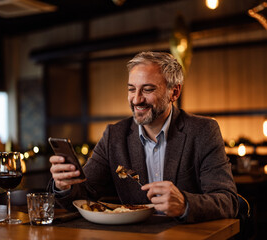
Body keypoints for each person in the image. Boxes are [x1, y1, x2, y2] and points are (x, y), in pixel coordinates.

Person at [49, 51, 238, 223]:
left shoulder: (203, 131)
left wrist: (185, 204)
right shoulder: (114, 136)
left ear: (174, 92)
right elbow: (85, 194)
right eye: (132, 89)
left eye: (147, 90)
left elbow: (228, 201)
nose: (137, 99)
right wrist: (64, 185)